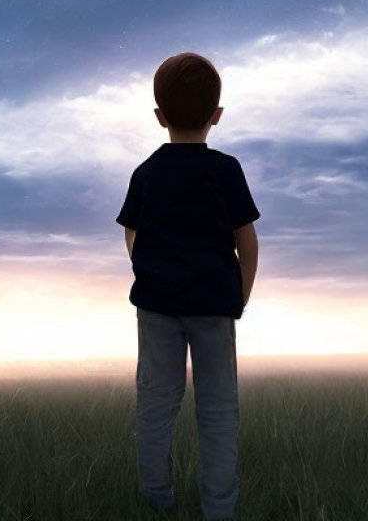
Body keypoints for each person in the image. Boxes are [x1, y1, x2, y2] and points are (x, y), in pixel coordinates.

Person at [117, 52, 260, 521]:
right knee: (218, 410)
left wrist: (151, 272)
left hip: (157, 306)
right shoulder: (226, 170)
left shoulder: (146, 172)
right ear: (216, 116)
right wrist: (240, 295)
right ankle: (219, 509)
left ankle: (157, 499)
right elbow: (247, 240)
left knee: (156, 404)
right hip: (215, 307)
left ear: (160, 117)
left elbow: (130, 232)